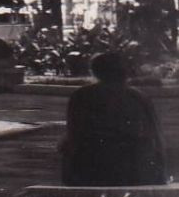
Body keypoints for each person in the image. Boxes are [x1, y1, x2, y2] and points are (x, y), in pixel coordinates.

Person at [60, 52, 169, 186]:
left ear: (95, 72)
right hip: (133, 171)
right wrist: (160, 173)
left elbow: (74, 134)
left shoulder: (81, 95)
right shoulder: (138, 97)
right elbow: (156, 137)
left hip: (92, 169)